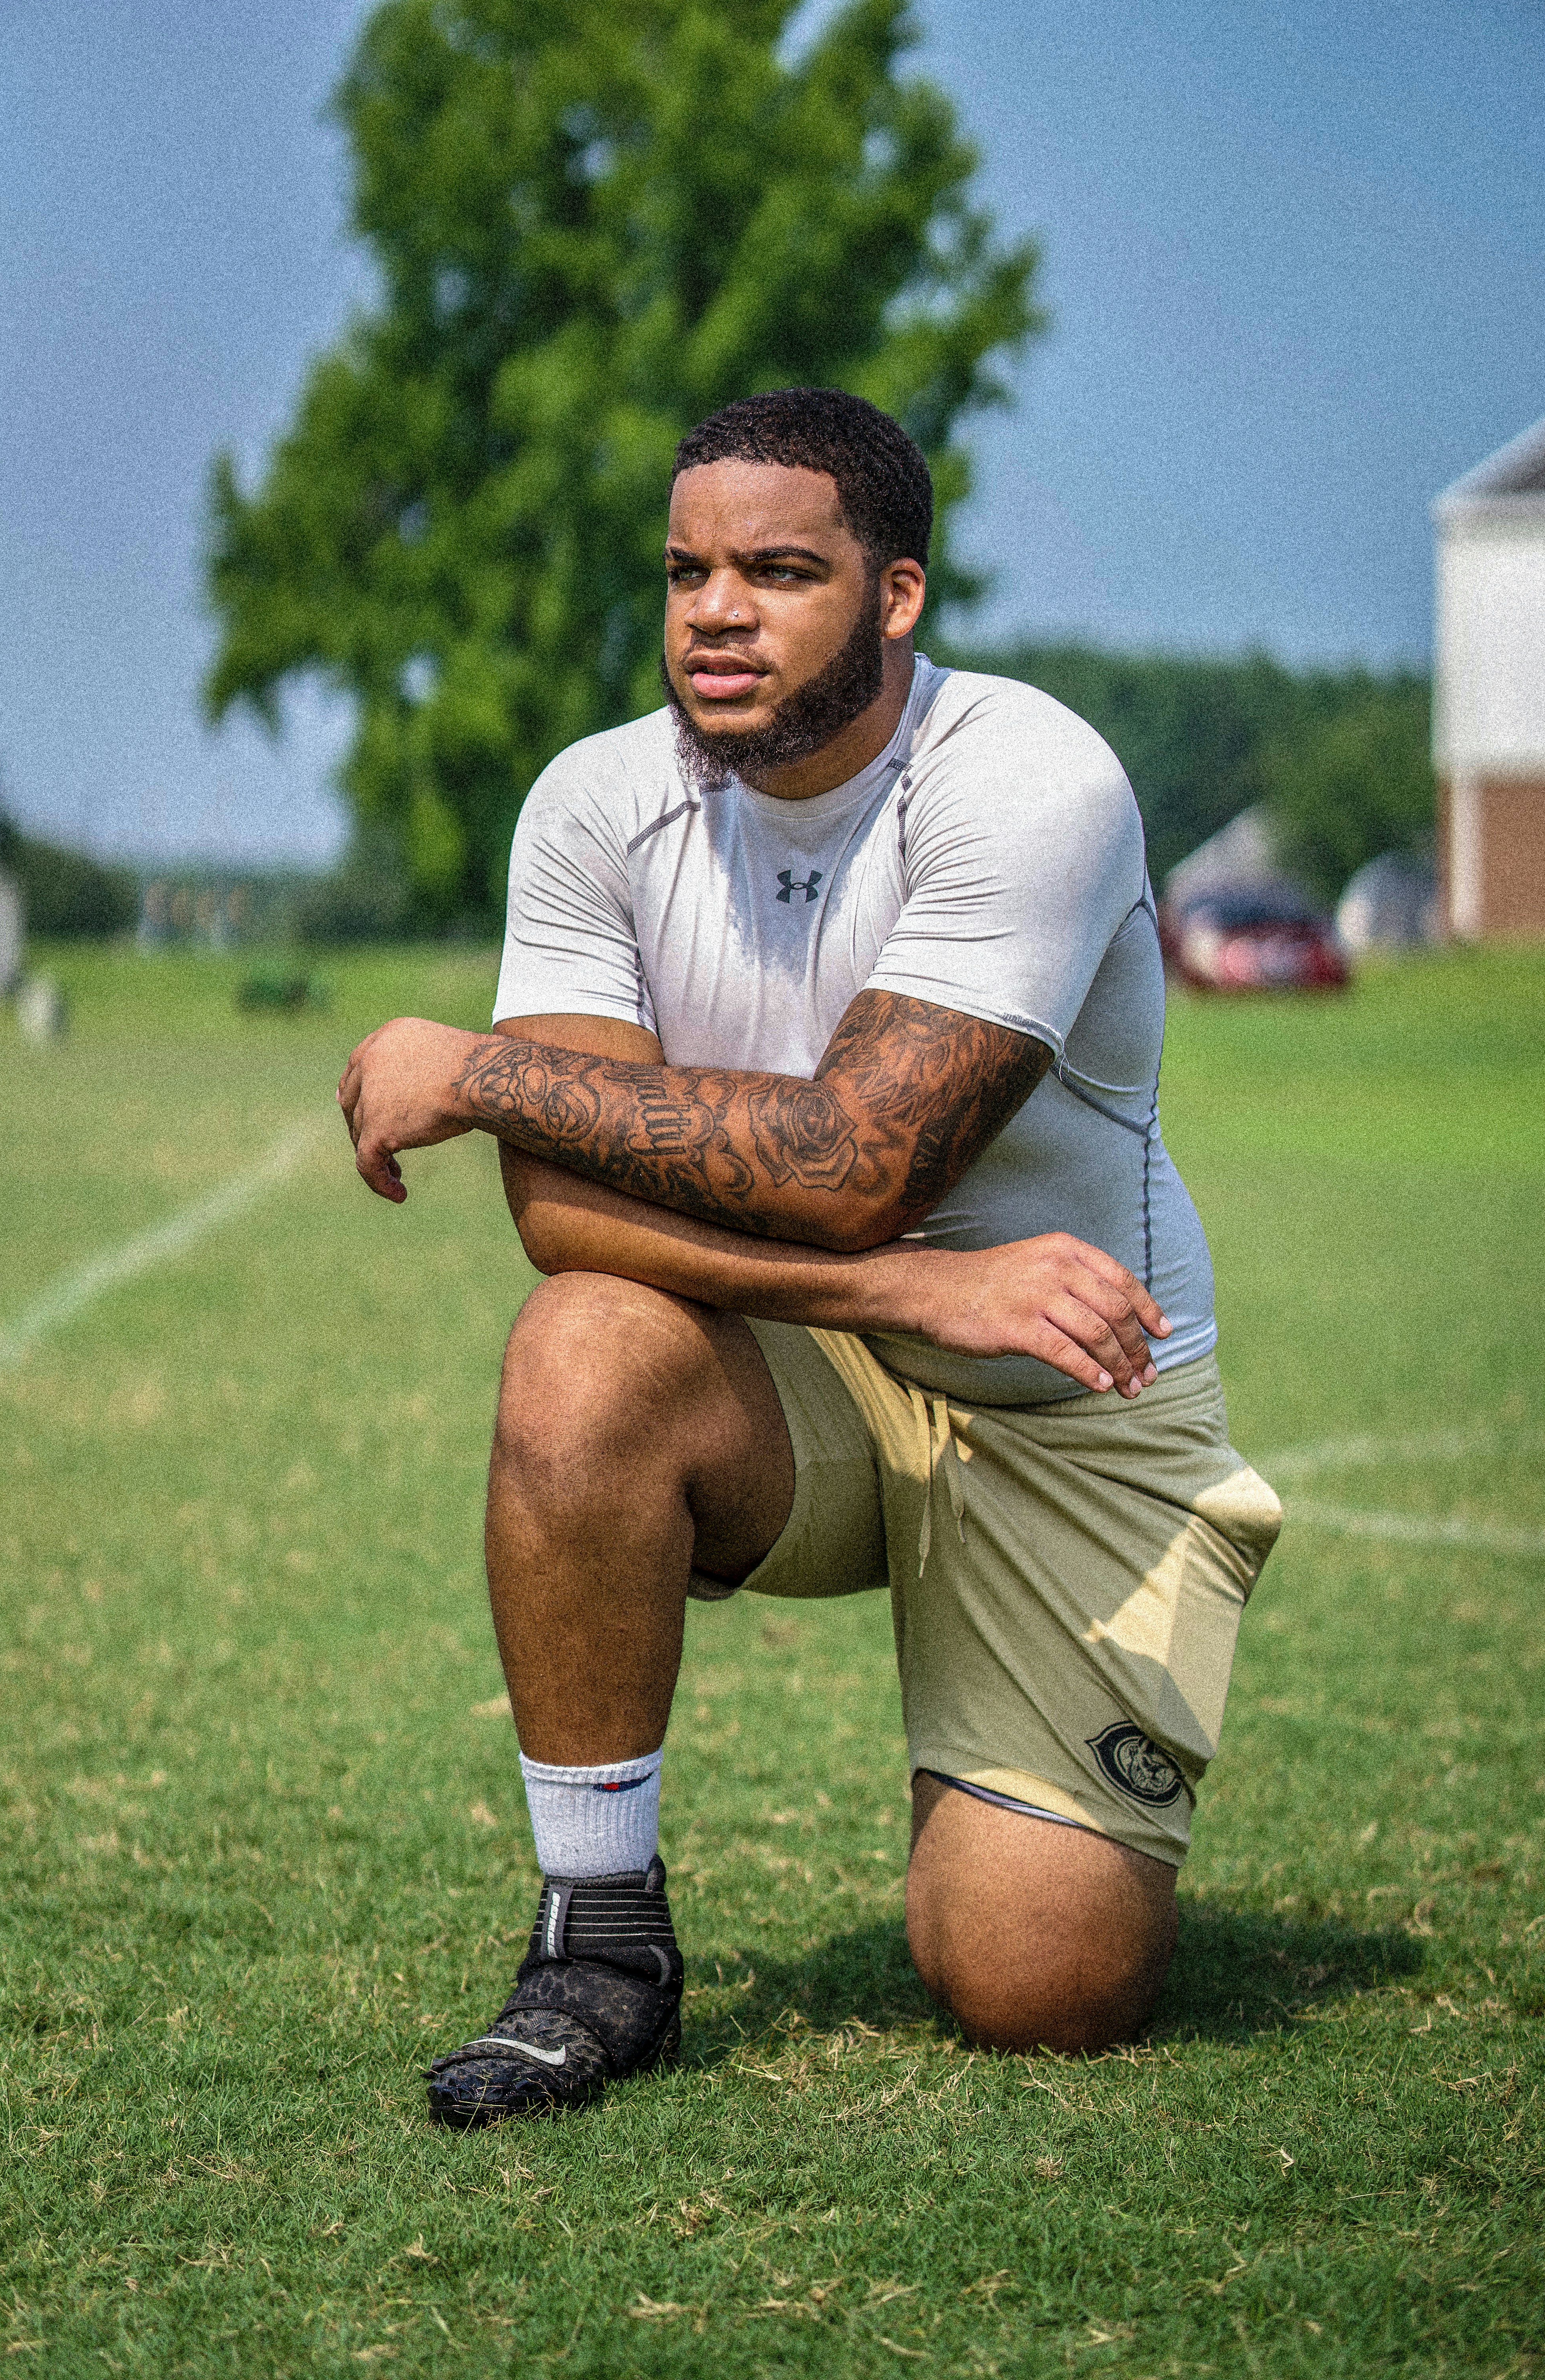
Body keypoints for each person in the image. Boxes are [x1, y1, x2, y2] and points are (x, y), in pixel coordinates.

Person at [337, 388, 1282, 2127]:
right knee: (582, 1345)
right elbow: (564, 1218)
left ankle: (1043, 1820)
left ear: (896, 595)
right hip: (812, 1381)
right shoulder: (592, 805)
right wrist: (907, 1289)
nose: (716, 612)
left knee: (1040, 1985)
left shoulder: (1026, 776)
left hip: (1068, 1393)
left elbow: (857, 1162)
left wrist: (476, 1072)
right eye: (686, 571)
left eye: (778, 572)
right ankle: (598, 1942)